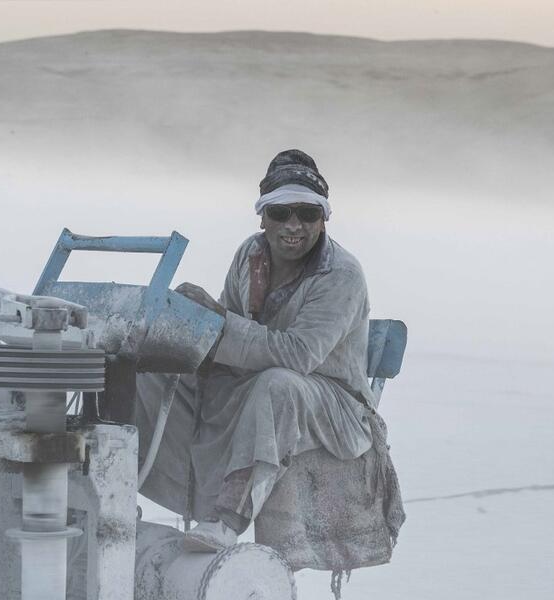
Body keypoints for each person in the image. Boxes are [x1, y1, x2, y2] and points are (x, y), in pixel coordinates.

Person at [135, 149, 403, 559]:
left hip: (332, 405)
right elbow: (228, 330)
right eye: (281, 213)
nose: (293, 226)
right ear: (263, 218)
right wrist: (189, 321)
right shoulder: (249, 254)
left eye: (306, 214)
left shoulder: (342, 275)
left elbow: (298, 355)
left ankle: (228, 520)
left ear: (324, 218)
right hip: (252, 384)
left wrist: (219, 320)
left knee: (278, 385)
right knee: (145, 370)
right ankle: (118, 485)